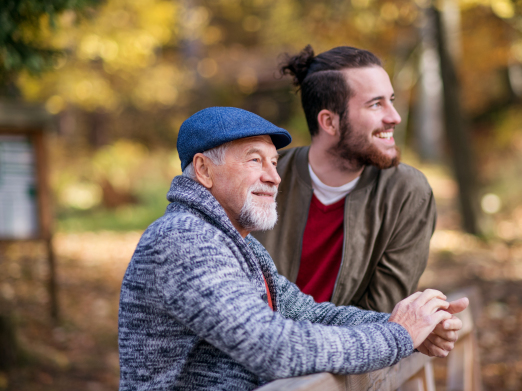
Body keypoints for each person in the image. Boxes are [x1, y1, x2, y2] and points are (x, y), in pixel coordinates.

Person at [118, 107, 467, 391]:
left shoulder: (241, 246)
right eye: (255, 160)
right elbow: (272, 347)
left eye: (274, 161)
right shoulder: (184, 239)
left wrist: (413, 327)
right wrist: (397, 335)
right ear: (204, 170)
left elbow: (309, 314)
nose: (275, 177)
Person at [254, 45, 436, 314]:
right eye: (376, 104)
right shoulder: (260, 179)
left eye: (391, 100)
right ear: (329, 122)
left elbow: (380, 315)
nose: (394, 117)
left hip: (347, 353)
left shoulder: (407, 193)